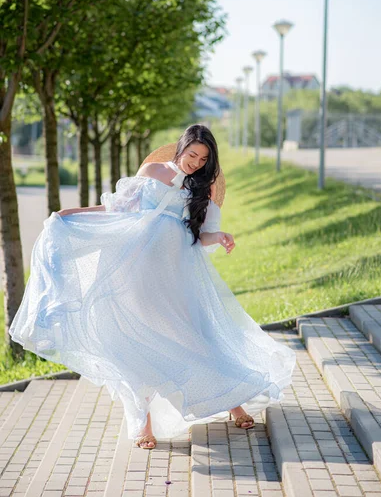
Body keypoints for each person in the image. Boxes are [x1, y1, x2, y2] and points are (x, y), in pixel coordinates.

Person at [9, 124, 296, 450]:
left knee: (195, 337)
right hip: (134, 271)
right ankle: (142, 422)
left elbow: (199, 237)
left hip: (176, 274)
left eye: (203, 159)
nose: (196, 163)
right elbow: (116, 210)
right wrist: (71, 215)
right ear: (181, 148)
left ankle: (232, 403)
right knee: (137, 342)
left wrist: (218, 236)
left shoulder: (203, 189)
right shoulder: (152, 170)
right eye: (192, 155)